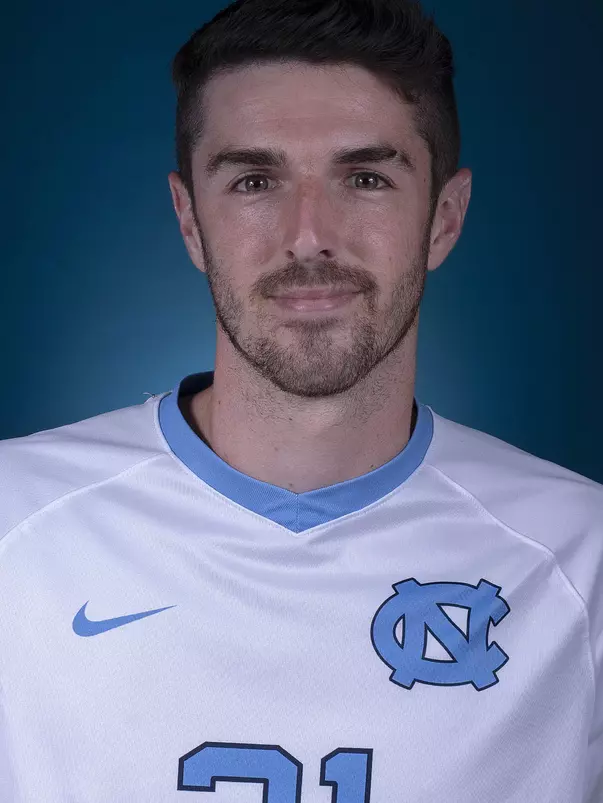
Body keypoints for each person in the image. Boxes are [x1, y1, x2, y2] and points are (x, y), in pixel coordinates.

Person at [1, 0, 601, 800]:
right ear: (188, 220)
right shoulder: (16, 525)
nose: (309, 234)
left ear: (444, 218)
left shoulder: (581, 559)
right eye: (254, 179)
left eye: (364, 177)